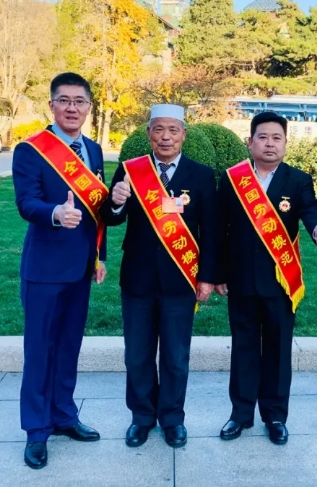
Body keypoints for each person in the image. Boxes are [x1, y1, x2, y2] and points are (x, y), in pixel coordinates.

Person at [101, 104, 217, 449]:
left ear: (184, 134)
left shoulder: (201, 175)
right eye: (159, 130)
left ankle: (172, 418)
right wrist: (116, 201)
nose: (166, 137)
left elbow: (211, 231)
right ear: (148, 133)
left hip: (181, 279)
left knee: (175, 356)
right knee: (137, 354)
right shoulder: (131, 169)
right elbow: (112, 217)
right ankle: (141, 417)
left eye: (173, 130)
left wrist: (207, 277)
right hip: (137, 278)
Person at [215, 111, 317, 445]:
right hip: (240, 280)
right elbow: (218, 228)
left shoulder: (298, 180)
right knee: (243, 348)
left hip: (281, 282)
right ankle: (240, 414)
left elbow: (311, 210)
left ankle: (276, 416)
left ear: (285, 143)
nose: (269, 144)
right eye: (262, 137)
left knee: (278, 351)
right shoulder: (233, 179)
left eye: (276, 138)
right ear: (250, 142)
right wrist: (219, 273)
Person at [12, 72, 108, 470]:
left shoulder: (94, 150)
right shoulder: (31, 150)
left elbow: (98, 212)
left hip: (81, 268)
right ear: (51, 105)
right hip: (45, 268)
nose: (72, 108)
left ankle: (64, 416)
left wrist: (100, 256)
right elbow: (26, 202)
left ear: (89, 107)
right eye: (64, 101)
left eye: (79, 101)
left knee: (69, 347)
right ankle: (37, 430)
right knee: (40, 350)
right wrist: (55, 213)